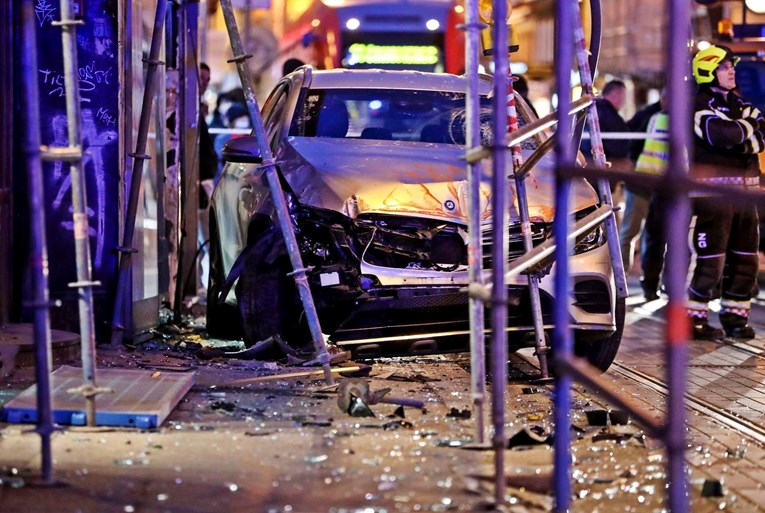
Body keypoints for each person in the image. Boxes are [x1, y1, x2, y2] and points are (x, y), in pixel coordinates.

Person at [688, 44, 765, 340]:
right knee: (711, 260)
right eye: (724, 67)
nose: (732, 71)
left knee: (746, 258)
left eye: (731, 67)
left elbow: (759, 133)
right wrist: (747, 130)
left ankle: (735, 318)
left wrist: (740, 134)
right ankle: (693, 318)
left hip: (746, 195)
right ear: (708, 71)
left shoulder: (740, 103)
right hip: (712, 197)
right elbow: (719, 135)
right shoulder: (698, 105)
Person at [619, 94, 663, 276]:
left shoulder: (649, 114)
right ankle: (621, 275)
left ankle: (638, 275)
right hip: (642, 183)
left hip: (654, 185)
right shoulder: (653, 116)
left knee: (647, 234)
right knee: (632, 230)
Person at [632, 93, 669, 301]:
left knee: (655, 239)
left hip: (656, 187)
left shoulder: (655, 118)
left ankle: (650, 284)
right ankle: (669, 285)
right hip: (678, 188)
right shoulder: (686, 120)